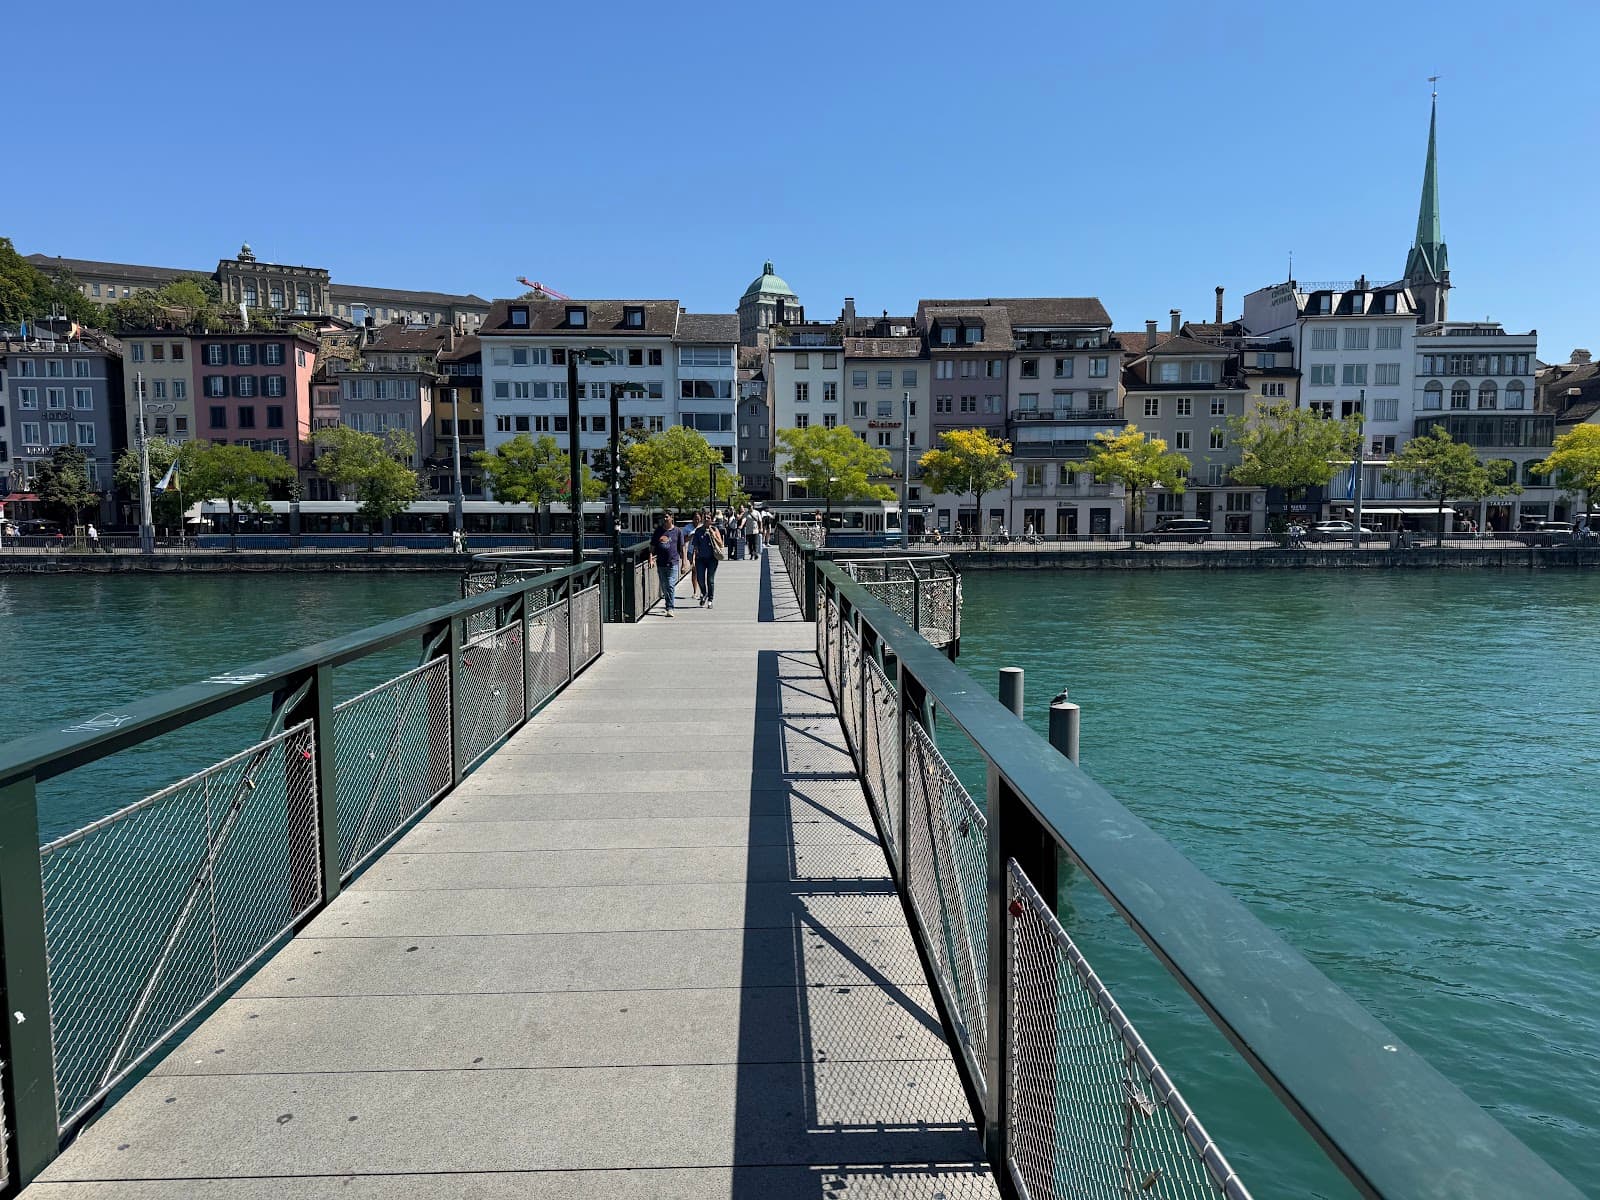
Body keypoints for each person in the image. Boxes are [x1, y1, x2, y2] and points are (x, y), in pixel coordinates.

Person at [649, 512, 685, 617]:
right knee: (664, 586)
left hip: (673, 562)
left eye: (667, 517)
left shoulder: (677, 531)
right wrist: (651, 558)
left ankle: (670, 607)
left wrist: (684, 563)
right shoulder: (658, 531)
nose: (665, 519)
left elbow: (682, 548)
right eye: (663, 517)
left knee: (670, 585)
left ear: (671, 518)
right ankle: (667, 603)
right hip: (660, 563)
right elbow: (652, 546)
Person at [691, 509, 723, 608]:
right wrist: (692, 559)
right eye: (704, 518)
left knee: (710, 579)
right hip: (700, 559)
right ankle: (704, 593)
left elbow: (720, 544)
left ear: (711, 520)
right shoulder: (698, 531)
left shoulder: (714, 529)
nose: (706, 519)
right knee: (700, 579)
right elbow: (695, 546)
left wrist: (713, 535)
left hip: (712, 558)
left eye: (708, 518)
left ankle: (710, 599)